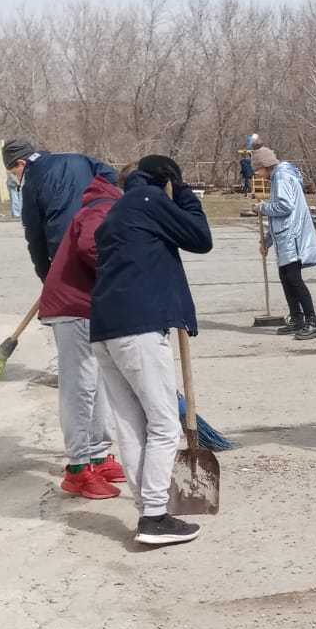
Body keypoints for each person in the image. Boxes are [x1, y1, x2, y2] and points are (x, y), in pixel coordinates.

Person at [89, 155, 213, 547]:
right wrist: (186, 192)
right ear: (166, 183)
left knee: (130, 425)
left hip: (105, 330)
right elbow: (201, 238)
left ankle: (148, 509)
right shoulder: (149, 201)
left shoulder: (118, 212)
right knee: (163, 424)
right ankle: (156, 517)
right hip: (138, 328)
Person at [39, 174, 128, 500]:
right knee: (81, 385)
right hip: (74, 308)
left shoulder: (105, 204)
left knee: (99, 382)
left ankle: (99, 456)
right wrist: (126, 272)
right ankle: (78, 468)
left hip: (88, 307)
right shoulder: (103, 206)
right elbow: (91, 245)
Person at [2, 138, 119, 282]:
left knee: (76, 298)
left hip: (66, 250)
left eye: (15, 173)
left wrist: (45, 274)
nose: (17, 178)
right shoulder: (80, 159)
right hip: (102, 239)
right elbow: (118, 180)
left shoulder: (30, 181)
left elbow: (34, 234)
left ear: (21, 163)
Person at [251, 145, 316, 340]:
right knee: (286, 277)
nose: (257, 174)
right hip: (286, 236)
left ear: (265, 165)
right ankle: (297, 318)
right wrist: (267, 240)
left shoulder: (281, 177)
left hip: (293, 237)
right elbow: (279, 217)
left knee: (294, 279)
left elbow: (284, 206)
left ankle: (312, 321)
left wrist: (262, 207)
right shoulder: (278, 177)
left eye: (257, 169)